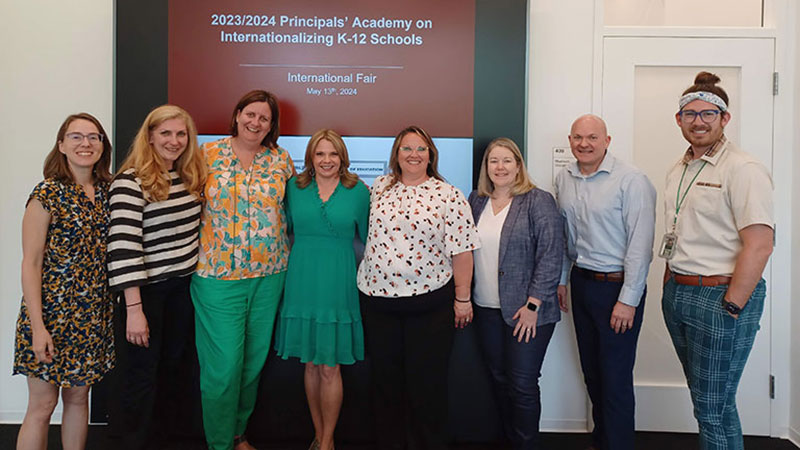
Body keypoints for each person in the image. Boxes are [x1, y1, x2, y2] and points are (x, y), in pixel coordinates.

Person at [661, 72, 773, 450]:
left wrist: (732, 304)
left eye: (709, 113)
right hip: (679, 293)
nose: (698, 121)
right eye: (690, 114)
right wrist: (668, 284)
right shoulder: (679, 169)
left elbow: (760, 244)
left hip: (721, 296)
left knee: (710, 408)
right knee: (713, 404)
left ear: (725, 119)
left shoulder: (743, 169)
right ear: (678, 120)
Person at [357, 125, 479, 450]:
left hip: (430, 307)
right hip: (378, 304)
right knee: (385, 386)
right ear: (396, 155)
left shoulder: (447, 194)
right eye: (407, 148)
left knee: (427, 388)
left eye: (421, 149)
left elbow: (463, 251)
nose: (414, 154)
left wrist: (463, 299)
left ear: (431, 155)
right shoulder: (380, 187)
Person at [191, 90, 295, 450]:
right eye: (250, 114)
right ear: (236, 115)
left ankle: (238, 435)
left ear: (272, 126)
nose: (256, 122)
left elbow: (290, 212)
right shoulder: (206, 155)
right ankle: (219, 443)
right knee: (223, 370)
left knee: (251, 368)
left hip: (269, 276)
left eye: (264, 118)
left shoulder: (280, 160)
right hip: (217, 278)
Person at [554, 114, 656, 450]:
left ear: (607, 140)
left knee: (615, 380)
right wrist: (562, 280)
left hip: (617, 289)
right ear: (570, 141)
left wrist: (628, 299)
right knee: (593, 374)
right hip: (582, 285)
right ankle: (603, 441)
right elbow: (567, 236)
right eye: (578, 137)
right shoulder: (564, 178)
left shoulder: (632, 181)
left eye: (592, 137)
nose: (584, 144)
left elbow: (640, 247)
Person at [14, 113, 115, 450]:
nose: (85, 143)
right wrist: (38, 327)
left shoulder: (108, 193)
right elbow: (31, 263)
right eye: (76, 137)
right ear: (61, 145)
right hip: (51, 316)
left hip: (92, 317)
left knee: (78, 401)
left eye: (93, 137)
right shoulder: (47, 194)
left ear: (103, 145)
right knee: (42, 406)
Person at [107, 105, 205, 449]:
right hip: (145, 295)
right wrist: (134, 309)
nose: (174, 141)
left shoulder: (189, 176)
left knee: (174, 375)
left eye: (181, 134)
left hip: (183, 291)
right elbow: (122, 248)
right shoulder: (130, 182)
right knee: (140, 379)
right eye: (166, 133)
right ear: (149, 136)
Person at [274, 129, 370, 450]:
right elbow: (278, 229)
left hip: (338, 284)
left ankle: (328, 441)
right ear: (310, 158)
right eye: (320, 154)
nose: (327, 160)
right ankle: (318, 436)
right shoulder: (294, 188)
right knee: (311, 363)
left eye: (333, 154)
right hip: (301, 282)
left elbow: (375, 240)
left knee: (330, 365)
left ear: (342, 157)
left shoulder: (358, 191)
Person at [467, 138, 564, 450]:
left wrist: (533, 304)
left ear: (519, 165)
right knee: (498, 379)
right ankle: (510, 441)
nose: (500, 167)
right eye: (493, 161)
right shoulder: (476, 201)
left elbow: (551, 255)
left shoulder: (538, 200)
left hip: (527, 311)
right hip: (486, 308)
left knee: (522, 384)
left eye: (507, 160)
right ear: (486, 168)